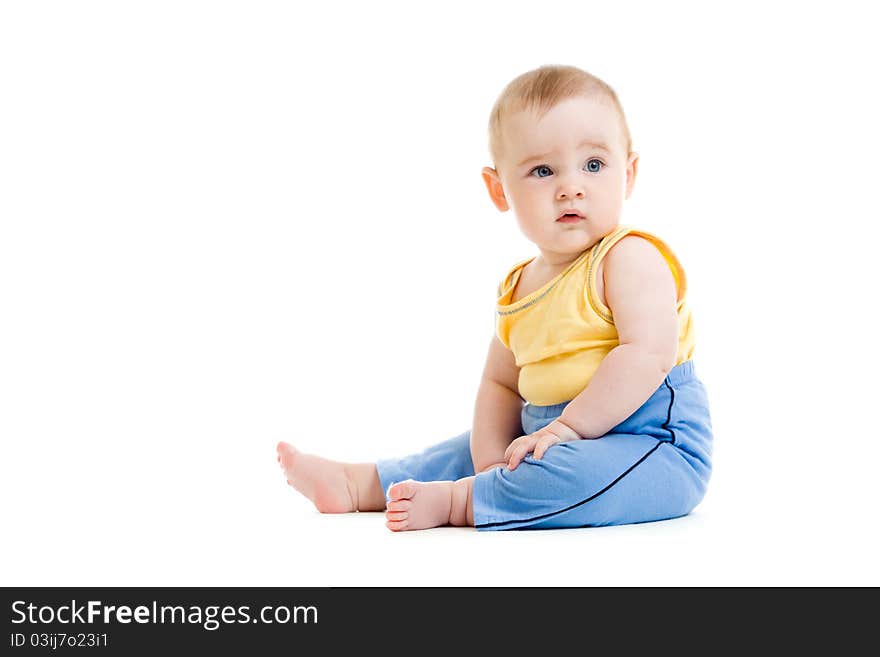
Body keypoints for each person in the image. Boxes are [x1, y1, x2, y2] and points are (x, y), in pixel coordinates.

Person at [276, 64, 713, 531]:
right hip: (549, 432)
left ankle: (460, 502)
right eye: (543, 170)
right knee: (463, 450)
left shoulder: (628, 258)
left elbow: (648, 355)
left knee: (566, 476)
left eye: (593, 164)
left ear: (628, 174)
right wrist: (489, 458)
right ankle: (359, 484)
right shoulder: (520, 285)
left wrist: (568, 429)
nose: (571, 186)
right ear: (498, 189)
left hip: (651, 444)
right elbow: (500, 385)